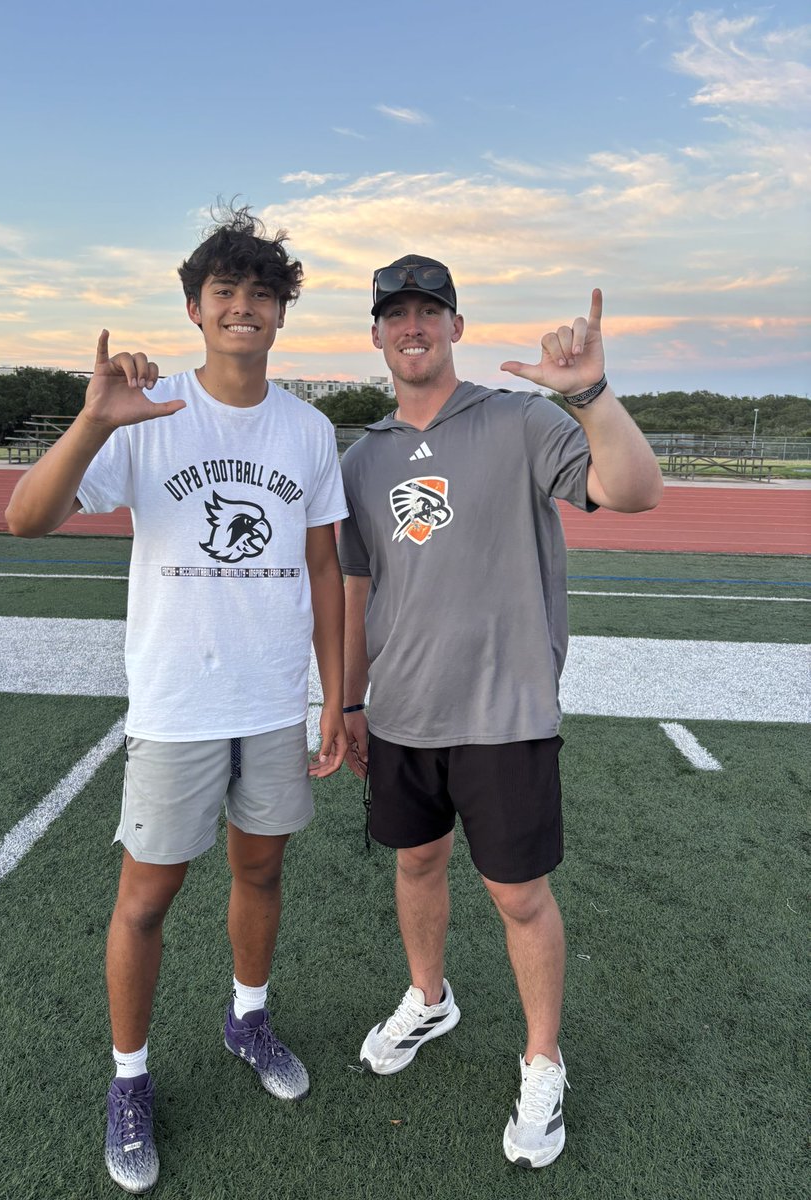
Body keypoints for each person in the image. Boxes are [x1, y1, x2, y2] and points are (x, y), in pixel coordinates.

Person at [5, 205, 349, 1194]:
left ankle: (247, 1017)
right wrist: (90, 420)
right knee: (147, 900)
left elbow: (324, 568)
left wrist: (336, 694)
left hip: (273, 699)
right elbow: (25, 519)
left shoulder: (308, 429)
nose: (243, 308)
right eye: (225, 293)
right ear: (196, 309)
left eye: (261, 294)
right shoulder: (145, 413)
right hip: (175, 704)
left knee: (262, 871)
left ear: (281, 313)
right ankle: (129, 1079)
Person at [339, 255, 662, 1170]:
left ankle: (542, 1057)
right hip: (401, 709)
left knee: (518, 894)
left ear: (455, 324)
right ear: (375, 333)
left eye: (428, 311)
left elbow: (636, 490)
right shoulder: (364, 458)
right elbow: (362, 583)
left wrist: (592, 394)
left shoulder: (519, 420)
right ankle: (429, 997)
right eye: (395, 314)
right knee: (416, 861)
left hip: (504, 708)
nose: (413, 327)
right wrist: (353, 699)